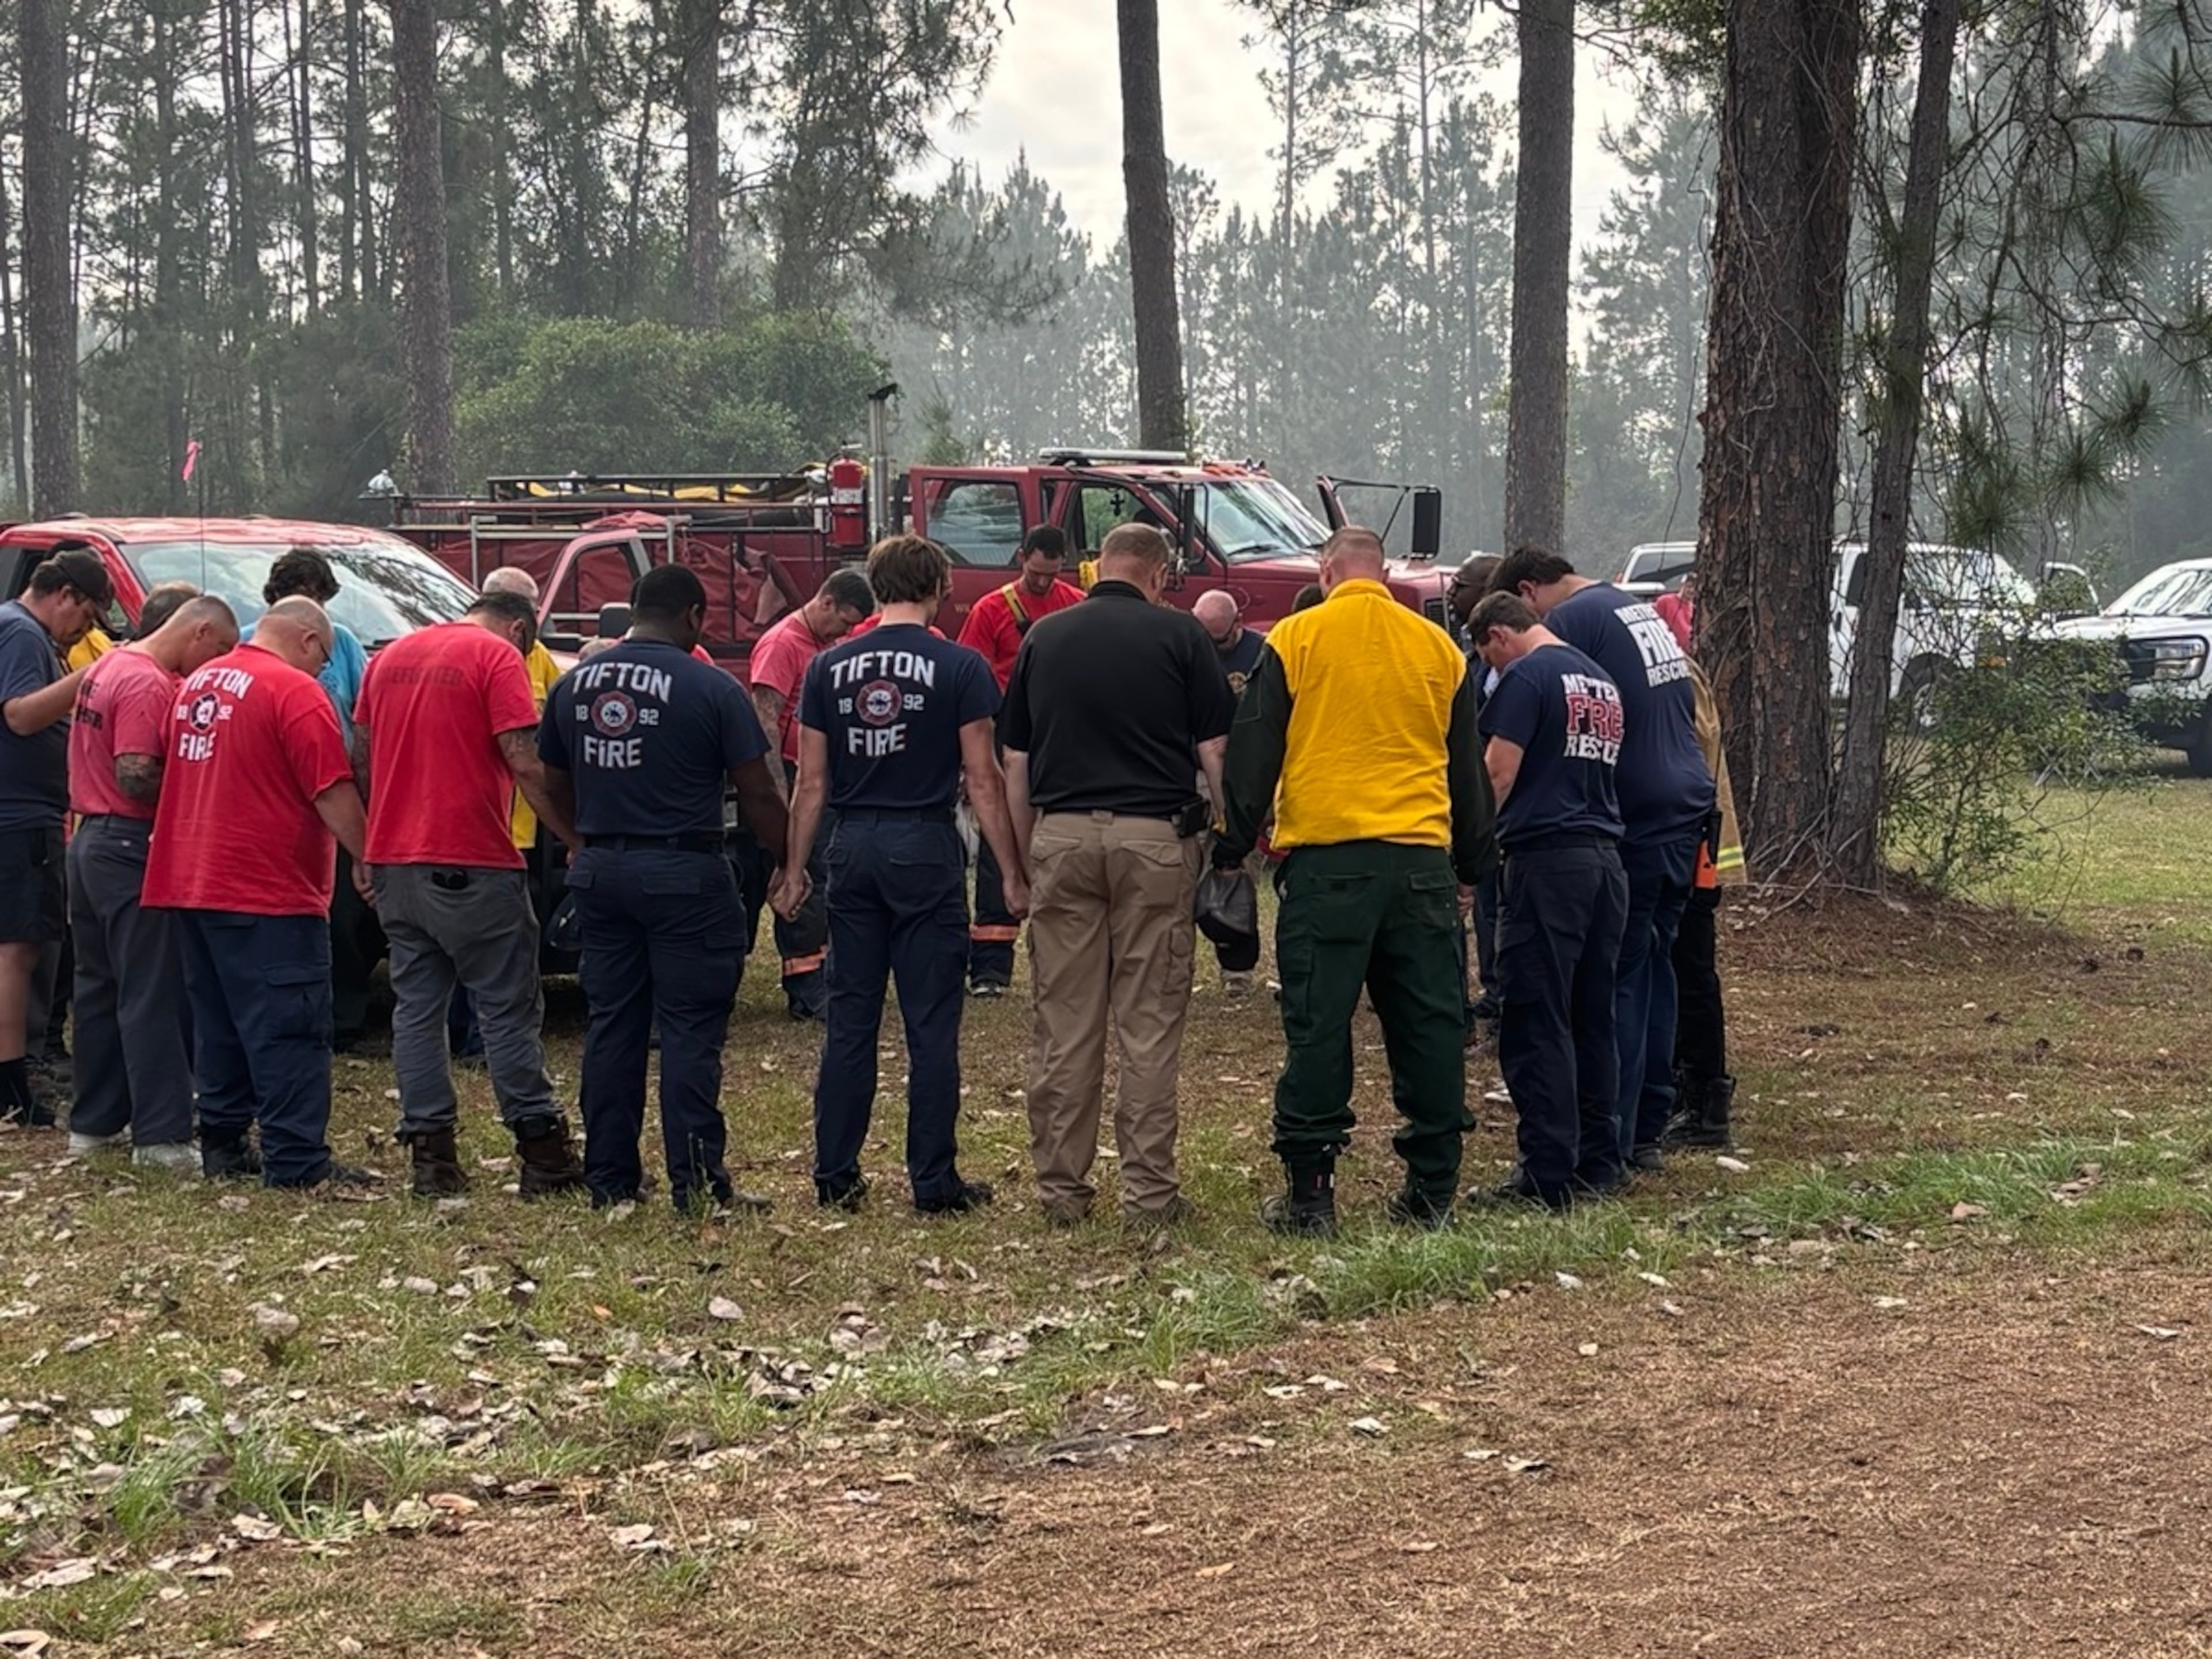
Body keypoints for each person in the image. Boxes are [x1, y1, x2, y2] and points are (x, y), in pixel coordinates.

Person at [1219, 527, 1494, 1234]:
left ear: (1328, 570)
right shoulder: (1438, 648)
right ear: (1384, 571)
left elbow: (1256, 750)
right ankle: (1433, 1190)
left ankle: (1312, 1193)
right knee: (1431, 1024)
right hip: (1420, 863)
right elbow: (1466, 768)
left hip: (1328, 860)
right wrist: (1472, 865)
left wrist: (1233, 841)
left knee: (1319, 1025)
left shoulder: (1296, 637)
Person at [774, 535, 1028, 1214]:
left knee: (851, 1017)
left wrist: (795, 868)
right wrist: (1011, 871)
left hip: (852, 845)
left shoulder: (829, 668)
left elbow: (812, 784)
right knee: (930, 1022)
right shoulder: (961, 665)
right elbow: (982, 777)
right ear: (940, 588)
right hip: (923, 845)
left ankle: (835, 1173)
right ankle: (933, 1181)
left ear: (877, 588)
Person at [1001, 524, 1236, 1226]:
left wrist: (1021, 859)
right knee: (1148, 1024)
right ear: (1160, 575)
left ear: (1097, 564)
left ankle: (1062, 1194)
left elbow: (1016, 763)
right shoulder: (1182, 638)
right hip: (1155, 842)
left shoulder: (1045, 637)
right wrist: (1231, 841)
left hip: (1061, 837)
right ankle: (1149, 1196)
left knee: (1065, 1025)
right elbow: (1216, 750)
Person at [537, 565, 791, 1211]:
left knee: (613, 1026)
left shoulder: (576, 686)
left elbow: (552, 779)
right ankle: (698, 1182)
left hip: (602, 872)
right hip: (685, 872)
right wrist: (790, 859)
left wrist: (580, 839)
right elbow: (758, 789)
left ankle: (611, 1178)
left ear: (631, 612)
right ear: (694, 617)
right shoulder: (710, 687)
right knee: (688, 1031)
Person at [353, 590, 588, 1199]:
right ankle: (542, 1152)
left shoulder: (390, 656)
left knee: (417, 1010)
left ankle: (432, 1159)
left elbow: (363, 755)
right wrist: (573, 835)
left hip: (396, 862)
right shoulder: (496, 656)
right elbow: (524, 760)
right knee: (507, 1007)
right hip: (471, 860)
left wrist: (371, 840)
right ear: (517, 628)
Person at [1488, 547, 1713, 1175]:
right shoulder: (1630, 606)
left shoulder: (1571, 625)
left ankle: (1606, 1137)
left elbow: (1542, 722)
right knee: (1656, 967)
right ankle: (1647, 1120)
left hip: (1630, 819)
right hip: (1685, 801)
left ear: (1528, 594)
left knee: (1611, 981)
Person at [143, 597, 374, 1187]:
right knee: (289, 1026)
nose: (325, 671)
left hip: (191, 880)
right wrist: (370, 858)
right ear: (306, 639)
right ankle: (296, 1160)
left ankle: (223, 1144)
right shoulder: (294, 694)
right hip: (266, 887)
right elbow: (330, 789)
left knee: (218, 1022)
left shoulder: (200, 682)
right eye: (324, 657)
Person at [1463, 592, 1628, 1210]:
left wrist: (1469, 854)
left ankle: (1546, 1172)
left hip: (1546, 861)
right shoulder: (1601, 680)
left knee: (1536, 1017)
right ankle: (1598, 1160)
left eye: (1487, 658)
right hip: (1605, 863)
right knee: (1591, 1013)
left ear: (1498, 636)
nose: (1491, 670)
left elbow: (1499, 773)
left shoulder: (1528, 676)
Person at [65, 592, 237, 1169]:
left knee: (99, 988)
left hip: (91, 839)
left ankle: (94, 1121)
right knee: (153, 989)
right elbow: (137, 774)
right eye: (219, 650)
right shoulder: (149, 684)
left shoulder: (110, 663)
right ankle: (161, 1134)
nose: (216, 666)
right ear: (198, 632)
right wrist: (204, 788)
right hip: (130, 843)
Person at [0, 548, 111, 1126]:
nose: (82, 634)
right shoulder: (22, 634)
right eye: (86, 618)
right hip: (20, 820)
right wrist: (90, 680)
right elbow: (19, 715)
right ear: (65, 595)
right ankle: (10, 1085)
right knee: (18, 951)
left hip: (27, 815)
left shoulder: (21, 634)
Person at [957, 526, 1085, 998]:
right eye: (1035, 574)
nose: (1043, 584)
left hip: (1059, 736)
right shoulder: (992, 610)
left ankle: (1064, 961)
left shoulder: (1075, 602)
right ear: (1021, 558)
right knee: (1000, 842)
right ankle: (990, 969)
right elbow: (972, 676)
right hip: (1004, 729)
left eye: (1051, 576)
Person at [261, 548, 380, 1050]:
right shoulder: (254, 643)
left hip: (338, 785)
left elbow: (362, 716)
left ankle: (347, 1014)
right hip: (283, 798)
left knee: (346, 911)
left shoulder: (343, 644)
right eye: (311, 598)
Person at [748, 569, 875, 1020]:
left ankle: (824, 974)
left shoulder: (825, 644)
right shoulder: (783, 645)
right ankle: (805, 985)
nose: (846, 632)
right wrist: (781, 800)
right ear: (825, 602)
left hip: (818, 774)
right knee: (800, 872)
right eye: (843, 622)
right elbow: (764, 721)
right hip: (788, 774)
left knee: (826, 874)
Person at [1662, 658, 1746, 1149]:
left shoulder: (1677, 674)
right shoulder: (1670, 667)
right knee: (1678, 974)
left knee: (1691, 975)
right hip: (1687, 844)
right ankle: (1681, 1089)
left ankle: (1706, 1102)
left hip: (1692, 849)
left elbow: (1693, 754)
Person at [1447, 555, 1506, 1036]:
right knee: (1482, 906)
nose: (1451, 596)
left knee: (1500, 905)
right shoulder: (1469, 659)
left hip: (1501, 805)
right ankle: (1490, 992)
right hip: (1476, 800)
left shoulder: (1513, 661)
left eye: (1460, 586)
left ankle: (1506, 998)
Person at [1191, 590, 1266, 695]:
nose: (1209, 647)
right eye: (1203, 639)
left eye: (1219, 642)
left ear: (1238, 622)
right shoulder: (1187, 648)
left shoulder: (1261, 653)